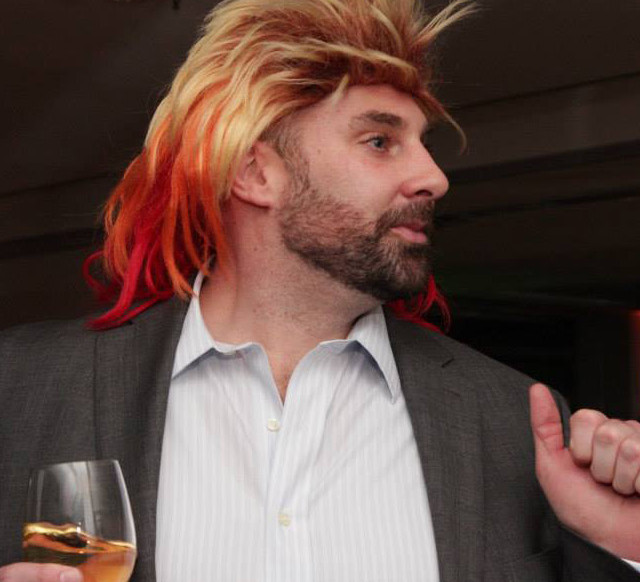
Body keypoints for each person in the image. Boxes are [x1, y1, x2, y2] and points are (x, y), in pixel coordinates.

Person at [1, 0, 639, 581]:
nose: (434, 177)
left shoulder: (510, 421)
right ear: (254, 172)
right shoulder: (21, 389)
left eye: (423, 144)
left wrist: (618, 549)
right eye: (380, 141)